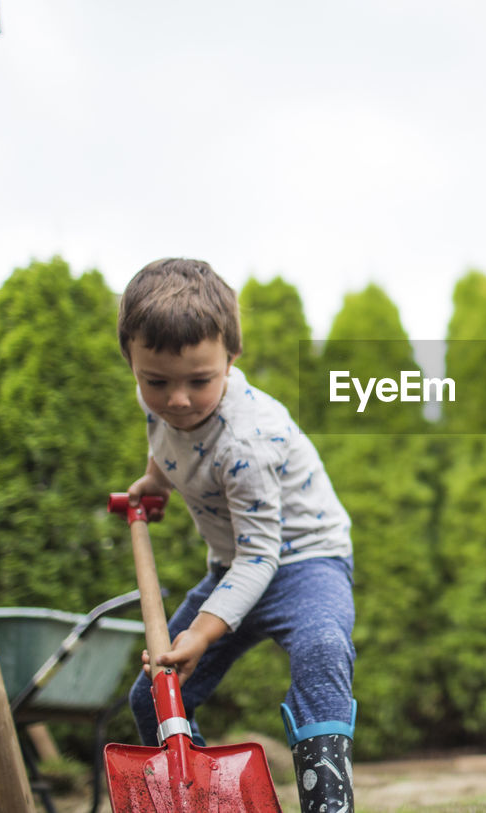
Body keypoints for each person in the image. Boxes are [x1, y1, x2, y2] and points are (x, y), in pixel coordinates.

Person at [118, 258, 356, 813]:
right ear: (133, 361)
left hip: (306, 562)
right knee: (155, 697)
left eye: (200, 381)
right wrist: (155, 482)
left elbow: (261, 555)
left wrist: (202, 634)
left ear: (231, 356)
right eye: (156, 381)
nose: (177, 400)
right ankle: (206, 801)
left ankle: (328, 805)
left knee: (322, 647)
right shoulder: (159, 404)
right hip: (236, 569)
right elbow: (168, 443)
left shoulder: (245, 442)